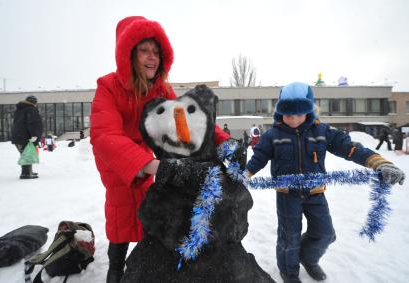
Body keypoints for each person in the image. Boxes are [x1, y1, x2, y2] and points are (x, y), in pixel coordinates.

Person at [89, 16, 230, 283]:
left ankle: (144, 259)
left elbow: (189, 121)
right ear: (128, 54)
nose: (151, 57)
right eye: (144, 50)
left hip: (145, 156)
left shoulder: (160, 89)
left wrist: (224, 142)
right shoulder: (108, 86)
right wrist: (153, 165)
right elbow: (104, 134)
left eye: (156, 51)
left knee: (147, 206)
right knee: (121, 209)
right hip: (115, 157)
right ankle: (116, 268)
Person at [245, 82, 405, 283]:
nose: (292, 119)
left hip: (315, 193)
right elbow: (257, 159)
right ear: (280, 112)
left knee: (325, 234)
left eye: (298, 113)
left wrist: (379, 163)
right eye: (288, 114)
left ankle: (307, 257)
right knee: (289, 237)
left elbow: (351, 148)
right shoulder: (272, 136)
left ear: (309, 111)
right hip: (287, 195)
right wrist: (242, 177)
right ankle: (289, 271)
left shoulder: (322, 131)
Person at [11, 95, 43, 179]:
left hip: (19, 136)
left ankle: (28, 171)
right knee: (27, 154)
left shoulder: (20, 110)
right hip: (25, 136)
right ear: (34, 102)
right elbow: (32, 123)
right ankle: (26, 174)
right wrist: (34, 135)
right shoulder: (31, 110)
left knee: (26, 154)